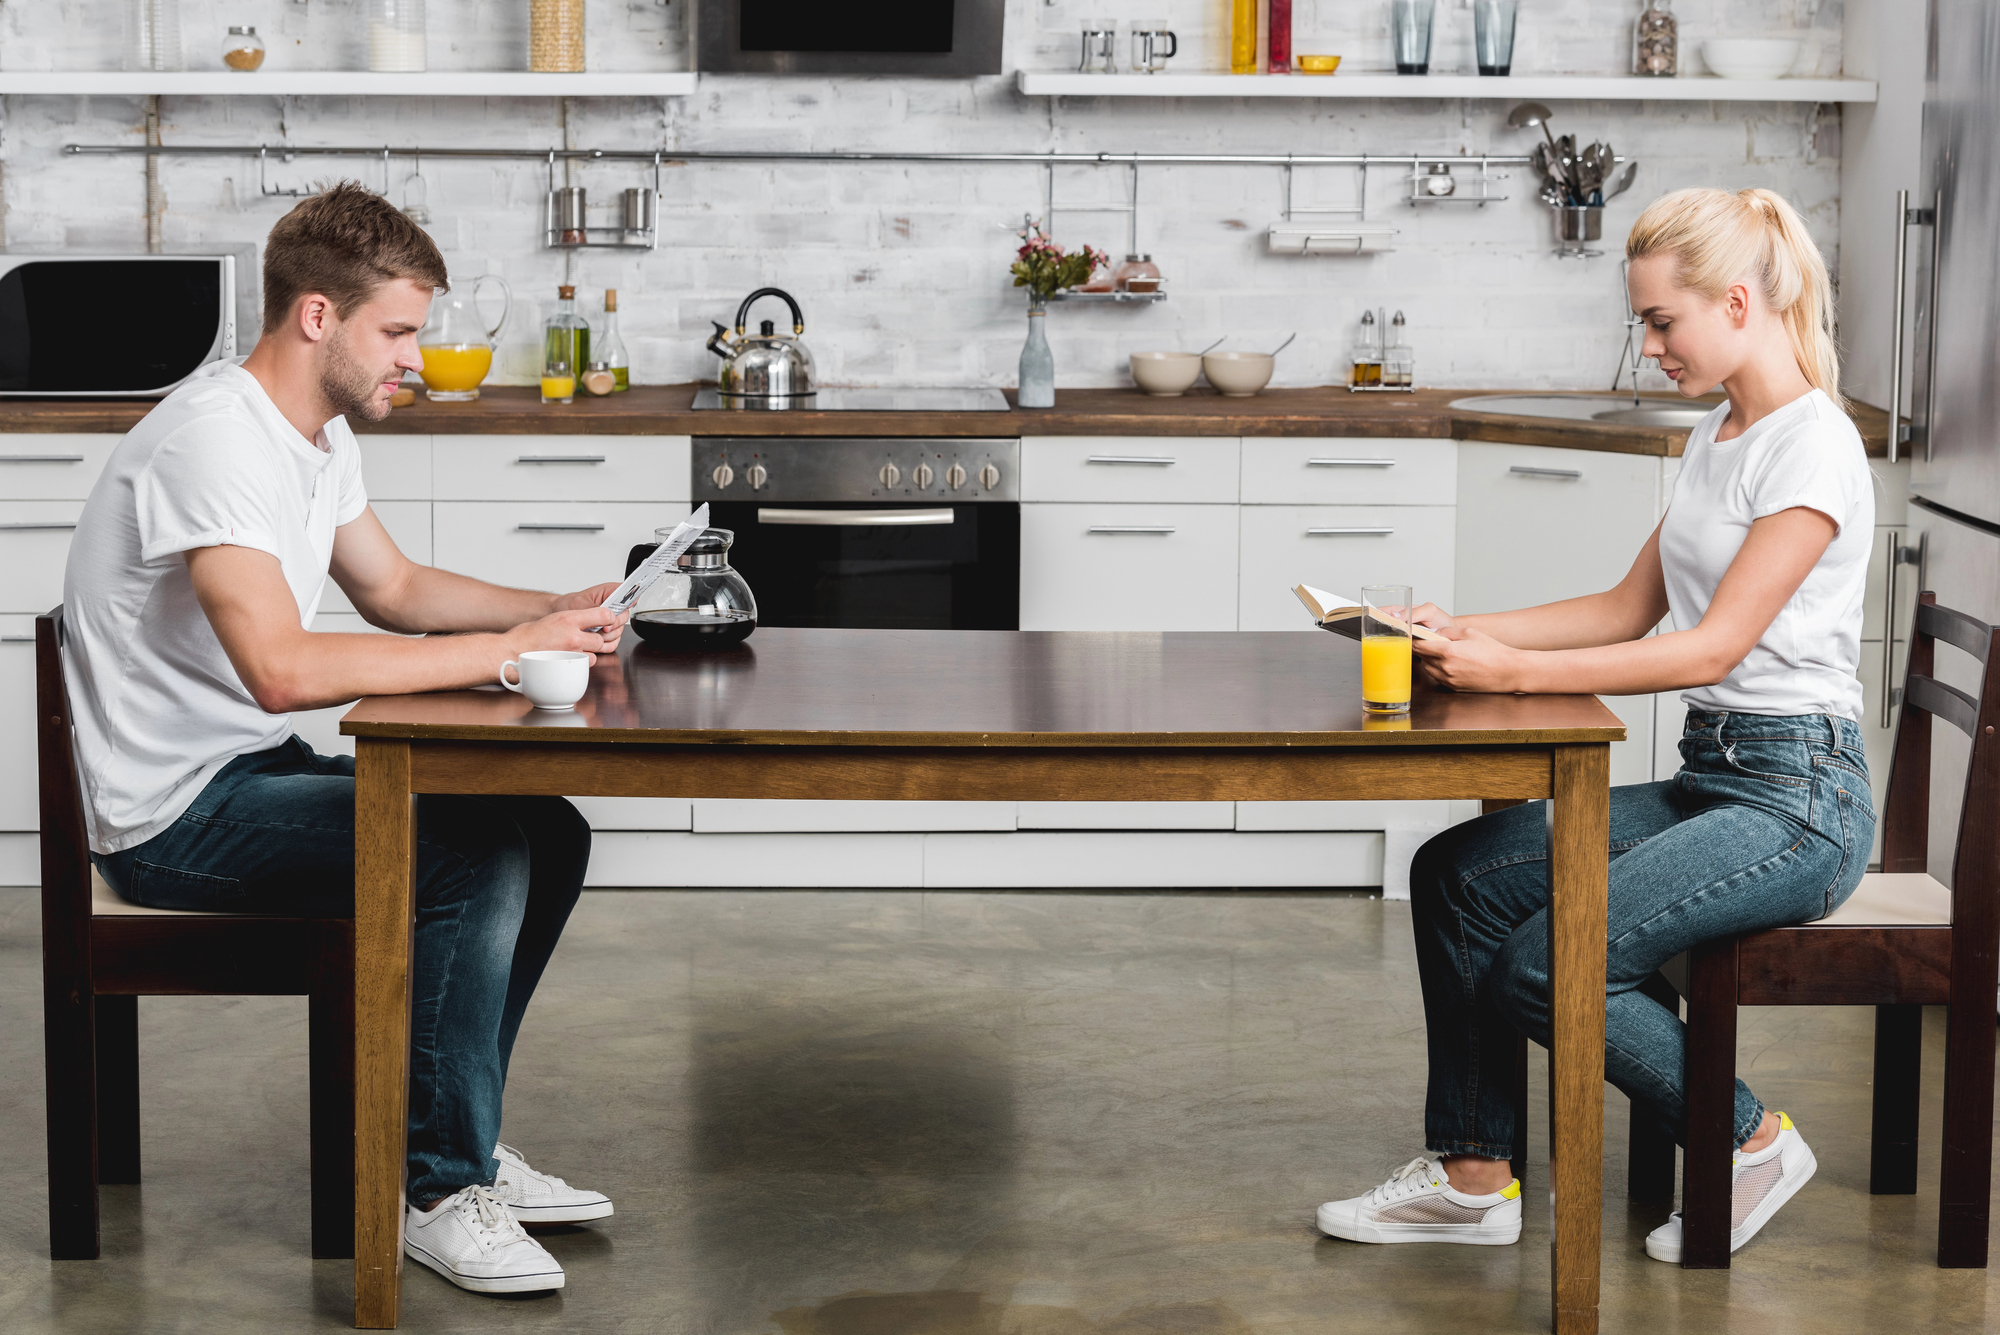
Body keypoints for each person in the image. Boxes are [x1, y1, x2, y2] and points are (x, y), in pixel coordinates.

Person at [64, 182, 632, 1295]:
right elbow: (283, 671)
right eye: (400, 332)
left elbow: (398, 588)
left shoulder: (314, 438)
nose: (414, 359)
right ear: (317, 315)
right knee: (475, 855)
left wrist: (554, 606)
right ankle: (433, 1185)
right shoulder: (212, 442)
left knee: (544, 830)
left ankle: (455, 1135)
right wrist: (511, 653)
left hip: (245, 777)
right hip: (172, 815)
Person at [1314, 187, 1875, 1264]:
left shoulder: (1810, 448)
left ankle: (1747, 1138)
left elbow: (1709, 649)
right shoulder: (1722, 432)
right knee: (1457, 874)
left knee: (1543, 963)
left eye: (1662, 322)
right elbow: (1628, 609)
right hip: (1712, 780)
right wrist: (1456, 626)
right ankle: (1472, 1177)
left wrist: (1515, 675)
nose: (1648, 347)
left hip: (1797, 800)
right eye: (1643, 324)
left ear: (1739, 303)